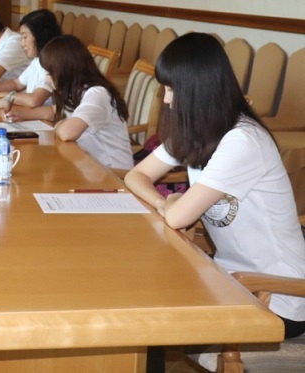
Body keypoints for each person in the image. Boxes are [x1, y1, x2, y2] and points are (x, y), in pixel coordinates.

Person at [125, 33, 305, 339]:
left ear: (199, 89)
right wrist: (162, 203)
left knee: (153, 312)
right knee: (146, 296)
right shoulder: (200, 130)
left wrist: (172, 207)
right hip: (231, 278)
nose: (166, 99)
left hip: (278, 296)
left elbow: (178, 217)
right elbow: (136, 176)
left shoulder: (242, 140)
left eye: (172, 89)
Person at [38, 35, 132, 169]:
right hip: (90, 166)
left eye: (49, 73)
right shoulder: (75, 90)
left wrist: (59, 124)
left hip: (112, 174)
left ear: (65, 70)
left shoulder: (97, 94)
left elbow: (67, 133)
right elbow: (56, 112)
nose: (47, 79)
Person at [0, 9, 60, 122]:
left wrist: (7, 95)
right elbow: (17, 83)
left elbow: (34, 100)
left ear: (40, 36)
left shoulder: (52, 62)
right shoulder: (37, 59)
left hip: (44, 121)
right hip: (31, 115)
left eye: (25, 37)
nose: (22, 44)